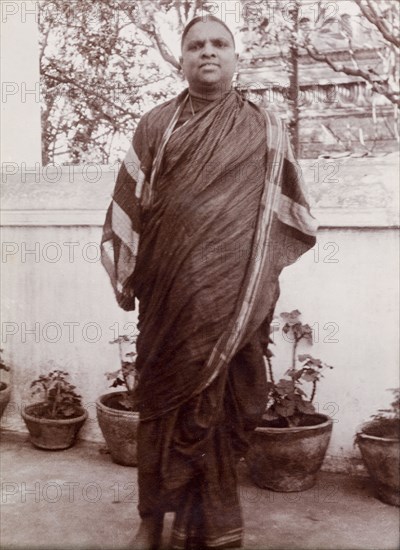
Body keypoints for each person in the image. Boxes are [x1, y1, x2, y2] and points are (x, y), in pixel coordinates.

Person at [101, 14, 317, 550]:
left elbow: (286, 213)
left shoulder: (265, 126)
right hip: (169, 296)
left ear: (236, 57)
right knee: (161, 406)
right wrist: (128, 278)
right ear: (181, 58)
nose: (208, 52)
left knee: (226, 410)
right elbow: (127, 209)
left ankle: (215, 525)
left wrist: (258, 275)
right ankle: (153, 520)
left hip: (236, 301)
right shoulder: (156, 125)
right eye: (196, 45)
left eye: (220, 43)